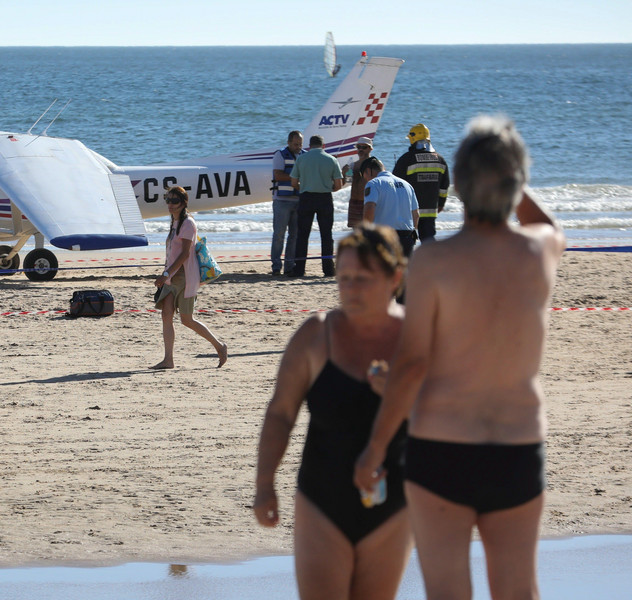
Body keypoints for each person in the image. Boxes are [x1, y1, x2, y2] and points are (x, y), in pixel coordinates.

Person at [354, 116, 565, 600]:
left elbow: (411, 367)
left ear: (462, 186)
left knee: (448, 590)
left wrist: (376, 445)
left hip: (443, 444)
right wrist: (512, 175)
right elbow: (545, 224)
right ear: (515, 180)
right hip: (516, 444)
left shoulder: (434, 261)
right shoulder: (539, 252)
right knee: (517, 589)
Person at [255, 224, 412, 600]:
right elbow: (280, 413)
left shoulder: (417, 338)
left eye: (363, 278)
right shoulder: (316, 335)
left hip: (393, 507)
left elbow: (449, 419)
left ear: (396, 277)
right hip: (321, 501)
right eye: (344, 278)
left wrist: (398, 394)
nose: (351, 289)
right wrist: (264, 485)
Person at [151, 186, 228, 369]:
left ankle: (219, 346)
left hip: (184, 276)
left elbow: (185, 254)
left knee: (187, 320)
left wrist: (166, 274)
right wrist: (167, 273)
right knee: (166, 315)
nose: (170, 204)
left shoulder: (188, 223)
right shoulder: (175, 221)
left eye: (174, 201)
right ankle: (168, 359)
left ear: (184, 202)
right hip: (171, 276)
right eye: (168, 200)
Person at [288, 135, 344, 277]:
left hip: (306, 197)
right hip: (324, 198)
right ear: (323, 146)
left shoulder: (301, 158)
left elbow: (293, 182)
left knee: (302, 235)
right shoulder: (331, 159)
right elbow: (339, 184)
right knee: (326, 235)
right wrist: (327, 187)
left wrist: (304, 186)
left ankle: (299, 268)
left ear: (309, 146)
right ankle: (328, 269)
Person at [393, 124, 450, 243]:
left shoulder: (406, 159)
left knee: (406, 242)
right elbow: (444, 187)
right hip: (430, 210)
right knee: (428, 242)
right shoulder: (440, 160)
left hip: (409, 211)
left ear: (413, 139)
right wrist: (440, 204)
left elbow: (395, 185)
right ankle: (431, 261)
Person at [361, 157, 420, 258]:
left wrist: (366, 232)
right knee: (403, 272)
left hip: (383, 237)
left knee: (382, 272)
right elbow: (416, 214)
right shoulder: (407, 185)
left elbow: (370, 207)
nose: (365, 179)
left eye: (363, 175)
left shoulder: (374, 183)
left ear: (368, 171)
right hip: (406, 237)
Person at [270, 131, 304, 276]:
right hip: (282, 201)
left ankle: (290, 266)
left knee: (294, 235)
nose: (298, 147)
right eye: (295, 144)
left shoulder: (304, 155)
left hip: (299, 200)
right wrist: (295, 179)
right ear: (289, 142)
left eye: (300, 144)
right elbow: (278, 175)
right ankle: (276, 266)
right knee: (279, 234)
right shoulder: (280, 155)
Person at [342, 138, 374, 229]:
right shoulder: (353, 165)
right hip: (354, 202)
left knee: (368, 231)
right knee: (356, 233)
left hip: (368, 202)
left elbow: (381, 183)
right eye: (358, 147)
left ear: (370, 149)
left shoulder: (374, 164)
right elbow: (347, 182)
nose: (360, 149)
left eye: (363, 147)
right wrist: (344, 173)